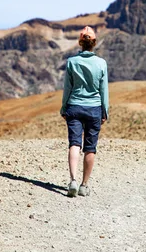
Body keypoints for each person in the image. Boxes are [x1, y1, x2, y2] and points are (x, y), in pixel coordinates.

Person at [60, 26, 109, 197]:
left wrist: (64, 107)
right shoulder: (101, 63)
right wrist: (105, 111)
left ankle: (72, 181)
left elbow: (67, 88)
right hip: (94, 108)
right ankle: (83, 185)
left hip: (74, 106)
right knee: (90, 148)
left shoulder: (72, 62)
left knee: (74, 144)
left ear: (80, 42)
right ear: (94, 43)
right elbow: (104, 90)